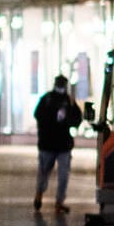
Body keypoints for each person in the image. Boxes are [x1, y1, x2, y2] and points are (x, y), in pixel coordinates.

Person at [34, 74, 83, 213]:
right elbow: (39, 116)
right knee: (50, 174)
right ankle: (45, 197)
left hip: (57, 145)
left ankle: (54, 200)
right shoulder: (51, 99)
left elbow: (76, 119)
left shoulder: (63, 100)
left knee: (55, 174)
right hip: (53, 144)